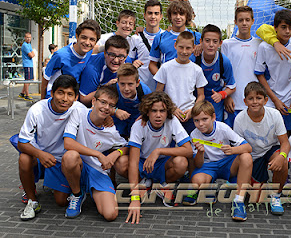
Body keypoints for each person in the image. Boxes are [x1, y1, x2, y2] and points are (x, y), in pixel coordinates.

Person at [18, 75, 84, 220]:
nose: (64, 98)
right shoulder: (37, 109)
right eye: (60, 92)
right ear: (52, 93)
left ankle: (74, 190)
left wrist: (113, 114)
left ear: (76, 97)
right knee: (24, 158)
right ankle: (32, 200)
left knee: (61, 202)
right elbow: (22, 142)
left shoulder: (79, 109)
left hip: (62, 160)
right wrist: (40, 154)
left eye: (70, 94)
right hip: (42, 156)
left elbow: (96, 117)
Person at [62, 85, 129, 220]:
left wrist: (116, 153)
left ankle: (91, 190)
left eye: (111, 105)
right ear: (93, 101)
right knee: (70, 156)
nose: (106, 107)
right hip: (77, 165)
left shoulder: (111, 131)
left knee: (110, 214)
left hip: (96, 170)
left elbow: (127, 146)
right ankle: (77, 194)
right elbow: (68, 143)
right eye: (103, 102)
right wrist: (98, 154)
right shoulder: (78, 112)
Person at [125, 91, 192, 224]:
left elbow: (189, 151)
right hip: (143, 162)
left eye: (162, 111)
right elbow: (133, 162)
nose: (158, 115)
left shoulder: (172, 122)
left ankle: (160, 186)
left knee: (181, 162)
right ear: (147, 112)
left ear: (168, 112)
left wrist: (158, 151)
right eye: (154, 110)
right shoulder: (139, 126)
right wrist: (134, 199)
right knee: (122, 163)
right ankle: (143, 182)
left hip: (162, 162)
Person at [184, 101, 252, 221]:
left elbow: (248, 147)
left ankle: (239, 201)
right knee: (197, 182)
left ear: (213, 117)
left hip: (227, 163)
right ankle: (210, 187)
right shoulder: (194, 134)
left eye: (205, 119)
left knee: (246, 157)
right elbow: (198, 164)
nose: (200, 124)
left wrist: (233, 149)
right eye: (196, 120)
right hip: (209, 165)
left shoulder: (223, 128)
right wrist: (200, 152)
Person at [234, 82, 290, 215]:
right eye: (250, 98)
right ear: (245, 101)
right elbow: (239, 149)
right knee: (256, 198)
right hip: (252, 155)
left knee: (283, 161)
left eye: (258, 98)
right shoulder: (239, 119)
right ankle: (255, 184)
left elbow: (285, 143)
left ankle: (276, 196)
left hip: (270, 150)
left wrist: (281, 157)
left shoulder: (275, 114)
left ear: (265, 100)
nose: (255, 102)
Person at [255, 9, 291, 134]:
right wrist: (275, 100)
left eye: (290, 27)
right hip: (270, 99)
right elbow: (260, 75)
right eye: (283, 27)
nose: (287, 31)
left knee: (288, 134)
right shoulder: (264, 46)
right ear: (275, 28)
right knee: (270, 134)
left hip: (288, 98)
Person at [154, 31, 207, 134]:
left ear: (193, 48)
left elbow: (201, 96)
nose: (184, 51)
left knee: (190, 146)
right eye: (181, 47)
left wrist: (193, 110)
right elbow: (158, 94)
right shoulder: (165, 67)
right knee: (170, 146)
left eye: (188, 48)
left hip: (190, 115)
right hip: (170, 114)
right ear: (175, 46)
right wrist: (172, 108)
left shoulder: (197, 70)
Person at [221, 6, 261, 128]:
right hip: (234, 102)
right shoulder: (227, 44)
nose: (244, 23)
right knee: (233, 140)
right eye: (241, 20)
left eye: (247, 20)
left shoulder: (260, 44)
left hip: (254, 102)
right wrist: (226, 96)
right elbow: (223, 73)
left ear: (253, 21)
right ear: (235, 22)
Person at [42, 19, 101, 99]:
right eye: (84, 37)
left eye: (92, 39)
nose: (87, 42)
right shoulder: (61, 55)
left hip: (72, 98)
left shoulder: (88, 51)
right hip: (56, 98)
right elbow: (45, 79)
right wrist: (42, 103)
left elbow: (99, 48)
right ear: (77, 36)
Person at [149, 0, 201, 76]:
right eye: (175, 13)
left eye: (181, 14)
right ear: (170, 16)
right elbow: (152, 65)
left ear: (187, 16)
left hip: (189, 84)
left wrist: (202, 46)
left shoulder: (197, 37)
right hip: (167, 86)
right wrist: (162, 79)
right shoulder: (160, 38)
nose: (178, 17)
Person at [195, 24, 236, 122]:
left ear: (220, 43)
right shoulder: (194, 59)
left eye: (215, 41)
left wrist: (222, 95)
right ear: (201, 42)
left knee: (214, 128)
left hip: (215, 101)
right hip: (196, 100)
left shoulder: (224, 61)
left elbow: (232, 86)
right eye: (207, 41)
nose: (211, 44)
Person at [79, 35, 131, 107]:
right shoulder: (92, 70)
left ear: (126, 56)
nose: (116, 60)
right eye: (112, 55)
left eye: (121, 56)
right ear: (105, 53)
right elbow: (84, 100)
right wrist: (106, 87)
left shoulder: (127, 62)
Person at [129, 0, 164, 91]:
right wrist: (133, 65)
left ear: (161, 16)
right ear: (144, 16)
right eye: (150, 13)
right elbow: (128, 64)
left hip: (162, 88)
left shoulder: (166, 37)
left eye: (156, 13)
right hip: (141, 89)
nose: (153, 16)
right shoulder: (135, 38)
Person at [113, 63, 152, 139]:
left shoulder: (145, 91)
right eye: (122, 84)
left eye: (130, 84)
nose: (126, 88)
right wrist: (114, 111)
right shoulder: (113, 90)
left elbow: (151, 108)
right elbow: (100, 106)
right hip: (119, 119)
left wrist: (144, 116)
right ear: (117, 81)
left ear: (137, 83)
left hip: (137, 118)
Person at [20, 32, 35, 101]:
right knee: (27, 80)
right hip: (27, 64)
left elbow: (33, 53)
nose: (29, 39)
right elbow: (31, 55)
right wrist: (31, 53)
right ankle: (27, 95)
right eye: (27, 37)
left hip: (30, 64)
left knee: (29, 79)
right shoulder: (25, 45)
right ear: (25, 38)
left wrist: (32, 53)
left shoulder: (29, 44)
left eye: (30, 37)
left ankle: (22, 93)